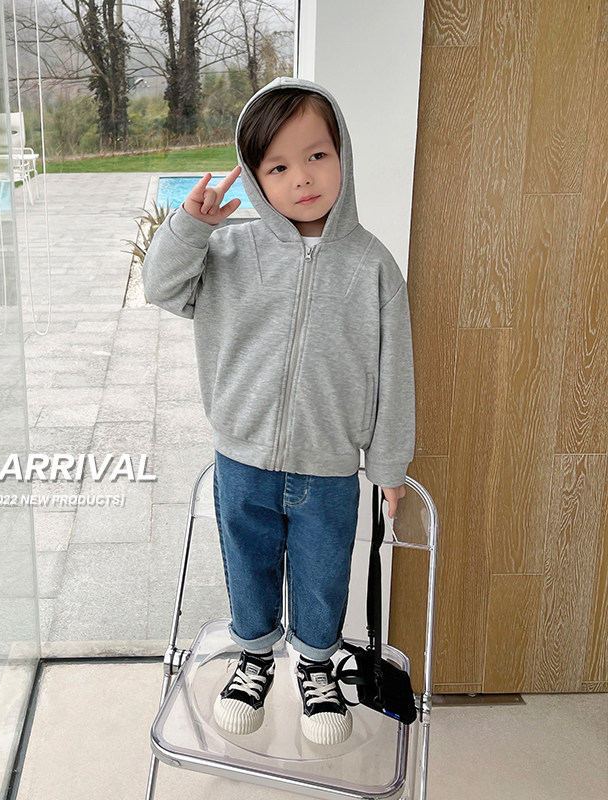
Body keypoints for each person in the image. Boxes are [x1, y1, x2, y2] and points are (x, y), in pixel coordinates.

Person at [143, 76, 415, 746]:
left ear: (342, 154)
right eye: (279, 166)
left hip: (330, 464)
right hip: (242, 458)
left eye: (317, 155)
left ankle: (317, 669)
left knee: (324, 573)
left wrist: (389, 465)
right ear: (255, 175)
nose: (303, 178)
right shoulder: (229, 251)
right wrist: (192, 227)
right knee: (249, 565)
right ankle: (255, 658)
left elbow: (395, 371)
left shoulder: (374, 265)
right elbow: (161, 288)